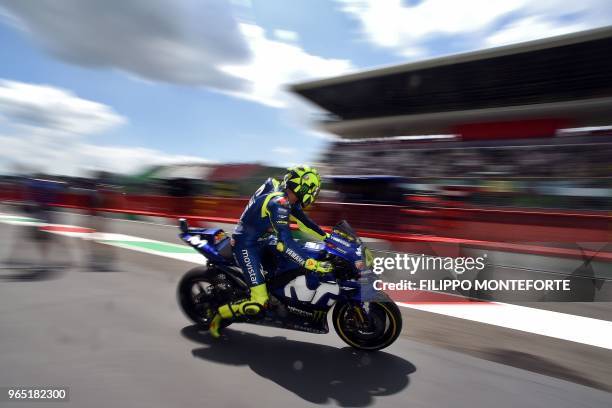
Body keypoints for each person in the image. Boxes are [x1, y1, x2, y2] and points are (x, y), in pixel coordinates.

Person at [209, 165, 332, 337]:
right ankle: (219, 316)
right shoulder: (279, 202)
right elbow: (285, 244)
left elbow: (304, 222)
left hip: (263, 239)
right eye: (313, 190)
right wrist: (311, 264)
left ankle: (278, 298)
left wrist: (328, 238)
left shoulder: (287, 195)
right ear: (303, 188)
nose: (315, 194)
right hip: (247, 245)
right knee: (259, 302)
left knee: (288, 266)